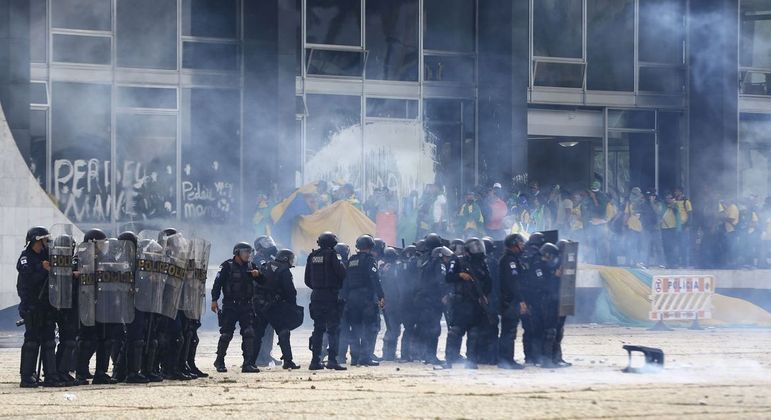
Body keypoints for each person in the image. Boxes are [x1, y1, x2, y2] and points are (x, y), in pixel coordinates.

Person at [17, 226, 65, 388]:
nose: (46, 242)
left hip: (47, 305)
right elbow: (27, 281)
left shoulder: (46, 255)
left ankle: (51, 375)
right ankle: (27, 376)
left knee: (49, 341)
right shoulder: (26, 258)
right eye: (43, 239)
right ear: (36, 241)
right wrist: (42, 269)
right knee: (32, 342)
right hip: (32, 305)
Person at [211, 242, 261, 373]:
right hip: (230, 305)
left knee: (249, 332)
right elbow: (217, 284)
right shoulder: (227, 266)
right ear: (237, 253)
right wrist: (214, 300)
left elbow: (263, 281)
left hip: (246, 305)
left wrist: (258, 275)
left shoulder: (251, 266)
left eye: (249, 252)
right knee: (226, 334)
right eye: (245, 252)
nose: (248, 255)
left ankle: (248, 363)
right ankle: (219, 361)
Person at [444, 238, 492, 369]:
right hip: (461, 303)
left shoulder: (482, 263)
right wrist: (460, 275)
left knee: (474, 333)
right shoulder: (458, 261)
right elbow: (448, 277)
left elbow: (488, 281)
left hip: (476, 303)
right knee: (455, 332)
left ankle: (471, 361)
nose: (478, 250)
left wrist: (484, 295)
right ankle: (449, 359)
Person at [305, 232, 348, 370]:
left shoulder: (312, 256)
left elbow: (307, 279)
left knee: (318, 329)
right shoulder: (334, 255)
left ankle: (315, 361)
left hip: (316, 295)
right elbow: (342, 273)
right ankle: (332, 360)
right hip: (331, 296)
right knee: (333, 329)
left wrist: (317, 287)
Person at [252, 249, 301, 370]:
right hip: (274, 307)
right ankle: (288, 361)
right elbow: (290, 291)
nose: (291, 261)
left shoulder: (267, 265)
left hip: (261, 305)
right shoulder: (284, 270)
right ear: (285, 259)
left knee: (258, 334)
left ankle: (250, 361)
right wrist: (292, 305)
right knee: (283, 331)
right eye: (290, 259)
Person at [342, 235, 385, 366]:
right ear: (371, 246)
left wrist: (346, 297)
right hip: (366, 298)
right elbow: (374, 278)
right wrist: (381, 296)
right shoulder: (370, 260)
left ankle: (355, 357)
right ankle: (365, 357)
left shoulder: (351, 260)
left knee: (355, 328)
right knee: (369, 328)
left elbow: (346, 280)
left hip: (352, 298)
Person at [415, 245, 453, 365]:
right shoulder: (438, 264)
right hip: (433, 301)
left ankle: (426, 355)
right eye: (446, 257)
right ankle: (431, 356)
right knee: (434, 330)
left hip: (425, 301)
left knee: (427, 329)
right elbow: (441, 280)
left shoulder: (427, 264)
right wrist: (444, 294)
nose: (447, 260)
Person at [497, 233, 527, 370]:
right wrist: (521, 300)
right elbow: (513, 283)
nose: (522, 246)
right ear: (514, 244)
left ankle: (506, 359)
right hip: (510, 301)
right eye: (520, 243)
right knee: (509, 331)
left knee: (508, 331)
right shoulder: (510, 260)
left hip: (508, 300)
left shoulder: (510, 259)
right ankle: (506, 360)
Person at [251, 235, 280, 367]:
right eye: (266, 243)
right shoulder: (258, 258)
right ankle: (258, 357)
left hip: (269, 298)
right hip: (260, 298)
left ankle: (266, 355)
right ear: (259, 247)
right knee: (260, 330)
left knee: (269, 329)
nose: (270, 245)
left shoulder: (270, 258)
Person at [380, 247, 404, 362]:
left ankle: (388, 354)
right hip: (393, 302)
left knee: (392, 328)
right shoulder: (394, 268)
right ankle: (388, 354)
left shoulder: (382, 269)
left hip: (387, 302)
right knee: (393, 329)